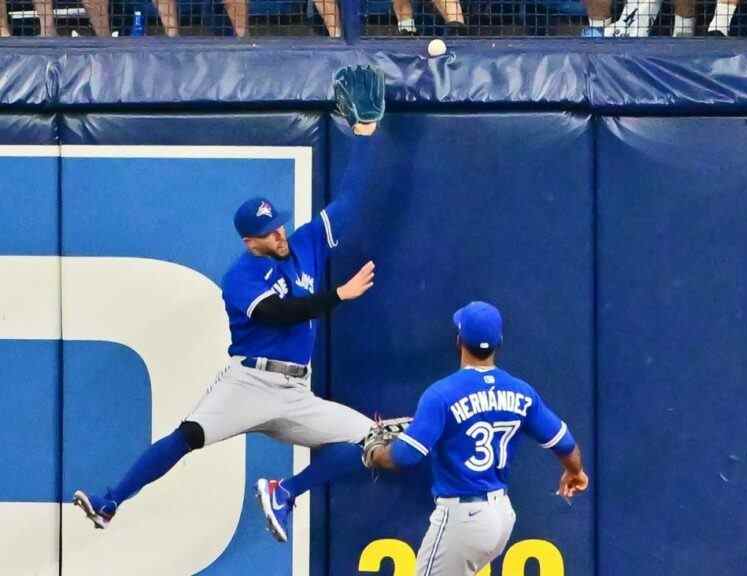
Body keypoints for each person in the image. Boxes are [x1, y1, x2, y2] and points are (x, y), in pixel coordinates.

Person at [74, 65, 387, 545]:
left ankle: (284, 492)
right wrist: (337, 296)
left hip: (296, 391)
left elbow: (350, 199)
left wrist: (364, 134)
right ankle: (111, 500)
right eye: (267, 233)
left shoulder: (304, 242)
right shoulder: (239, 277)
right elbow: (278, 315)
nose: (279, 234)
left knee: (373, 440)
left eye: (278, 225)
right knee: (187, 437)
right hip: (249, 382)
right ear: (250, 240)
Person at [367, 301, 589, 575]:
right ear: (499, 342)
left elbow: (404, 456)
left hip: (463, 518)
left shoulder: (441, 395)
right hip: (501, 516)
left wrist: (376, 453)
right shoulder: (522, 392)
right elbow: (566, 443)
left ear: (459, 340)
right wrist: (574, 471)